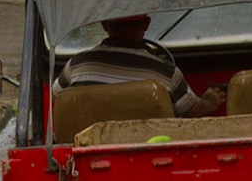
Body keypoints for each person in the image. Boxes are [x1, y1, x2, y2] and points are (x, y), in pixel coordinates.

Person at [57, 15, 224, 117]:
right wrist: (209, 101)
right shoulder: (166, 73)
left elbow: (58, 97)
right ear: (146, 24)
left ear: (105, 25)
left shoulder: (76, 65)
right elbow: (193, 112)